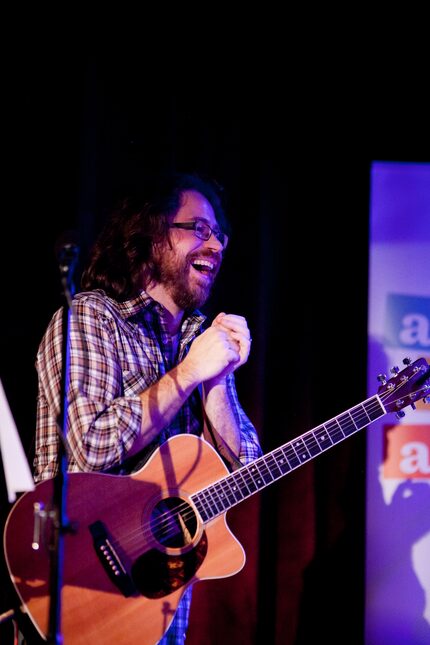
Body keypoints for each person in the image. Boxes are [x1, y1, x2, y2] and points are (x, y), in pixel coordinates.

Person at [33, 171, 262, 644]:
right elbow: (93, 445)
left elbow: (244, 474)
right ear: (150, 233)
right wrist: (188, 374)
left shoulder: (199, 343)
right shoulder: (92, 319)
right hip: (79, 593)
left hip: (159, 615)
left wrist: (216, 381)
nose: (216, 246)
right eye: (198, 229)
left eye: (220, 235)